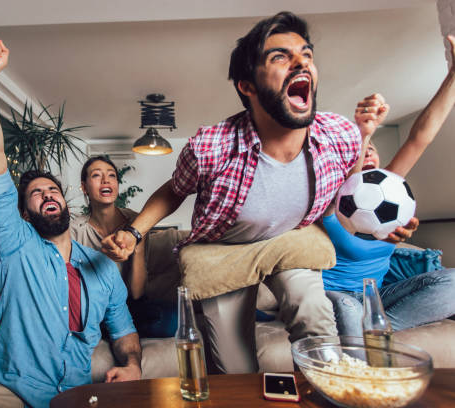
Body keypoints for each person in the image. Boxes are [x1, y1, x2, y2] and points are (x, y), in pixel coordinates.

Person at [102, 11, 415, 373]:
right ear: (247, 86)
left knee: (315, 321)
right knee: (233, 367)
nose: (301, 62)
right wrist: (133, 231)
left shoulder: (340, 135)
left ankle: (330, 389)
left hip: (292, 241)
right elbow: (174, 190)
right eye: (280, 57)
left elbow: (350, 197)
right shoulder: (211, 147)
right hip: (223, 254)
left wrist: (378, 227)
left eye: (307, 54)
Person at [0, 39, 141, 408]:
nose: (47, 195)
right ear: (25, 213)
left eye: (52, 189)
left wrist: (133, 364)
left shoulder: (103, 269)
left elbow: (124, 331)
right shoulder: (15, 244)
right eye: (35, 193)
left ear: (66, 201)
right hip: (7, 388)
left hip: (71, 395)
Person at [323, 35, 455, 337]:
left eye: (372, 150)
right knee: (348, 309)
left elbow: (420, 138)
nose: (368, 152)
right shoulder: (331, 201)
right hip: (333, 298)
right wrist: (363, 134)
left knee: (453, 282)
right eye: (361, 151)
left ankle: (377, 333)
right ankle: (367, 339)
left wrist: (453, 76)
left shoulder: (391, 190)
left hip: (376, 298)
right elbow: (352, 186)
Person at [70, 156, 177, 337]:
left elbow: (137, 293)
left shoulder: (138, 223)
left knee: (174, 319)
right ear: (84, 187)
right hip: (96, 309)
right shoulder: (73, 231)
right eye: (96, 175)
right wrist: (105, 257)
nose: (106, 180)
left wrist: (137, 244)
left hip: (133, 307)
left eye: (112, 176)